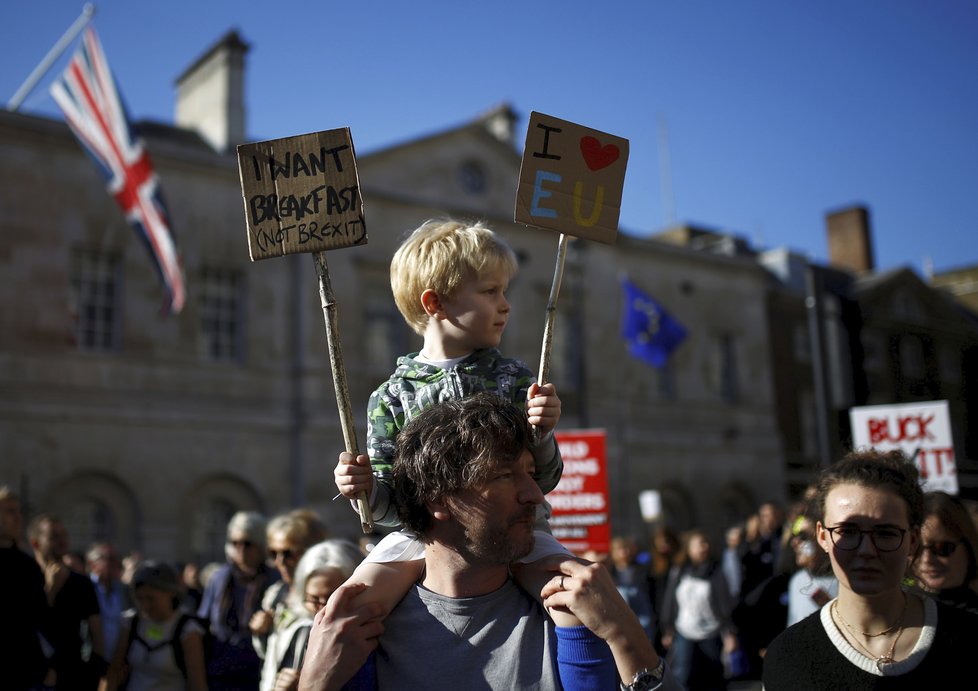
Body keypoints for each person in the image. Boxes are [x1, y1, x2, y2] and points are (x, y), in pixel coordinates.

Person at [302, 393, 678, 690]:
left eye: (531, 473)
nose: (537, 495)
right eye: (503, 475)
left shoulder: (575, 617)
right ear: (438, 498)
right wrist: (315, 683)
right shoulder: (355, 635)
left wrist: (626, 638)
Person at [332, 219, 575, 624]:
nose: (505, 304)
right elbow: (389, 508)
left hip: (516, 533)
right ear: (435, 304)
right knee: (347, 612)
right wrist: (365, 488)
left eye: (504, 290)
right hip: (421, 540)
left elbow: (544, 479)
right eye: (489, 291)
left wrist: (544, 433)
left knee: (577, 599)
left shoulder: (515, 379)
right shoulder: (390, 398)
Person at [762, 449, 978, 689]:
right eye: (847, 531)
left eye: (885, 533)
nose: (867, 550)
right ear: (822, 536)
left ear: (913, 540)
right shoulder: (789, 657)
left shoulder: (969, 640)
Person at [198, 510, 281, 690]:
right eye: (235, 543)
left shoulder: (274, 579)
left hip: (256, 670)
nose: (240, 549)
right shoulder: (219, 578)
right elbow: (203, 623)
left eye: (247, 543)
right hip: (219, 670)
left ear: (261, 545)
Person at [265, 539, 363, 691]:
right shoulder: (302, 635)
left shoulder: (373, 637)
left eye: (333, 598)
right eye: (314, 599)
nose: (323, 610)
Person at [251, 508, 329, 691]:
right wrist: (260, 632)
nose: (280, 561)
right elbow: (270, 655)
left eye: (288, 553)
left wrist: (304, 682)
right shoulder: (275, 594)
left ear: (310, 552)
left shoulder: (324, 597)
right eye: (273, 553)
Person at [28, 512, 107, 690]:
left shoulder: (81, 583)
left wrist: (94, 670)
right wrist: (51, 590)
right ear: (36, 543)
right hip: (36, 674)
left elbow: (96, 632)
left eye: (64, 535)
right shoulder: (27, 578)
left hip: (73, 674)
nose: (62, 541)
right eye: (54, 537)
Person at [103, 560, 208, 691]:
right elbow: (114, 672)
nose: (145, 606)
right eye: (140, 599)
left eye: (151, 599)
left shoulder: (187, 630)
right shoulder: (131, 624)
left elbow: (197, 683)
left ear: (170, 593)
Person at [660, 528, 738, 690]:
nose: (703, 547)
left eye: (705, 543)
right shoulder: (680, 571)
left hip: (711, 630)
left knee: (714, 675)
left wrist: (729, 633)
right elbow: (670, 601)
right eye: (699, 544)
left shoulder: (716, 571)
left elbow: (725, 604)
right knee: (683, 674)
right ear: (689, 549)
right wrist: (668, 628)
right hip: (685, 629)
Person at [0, 486, 53, 690]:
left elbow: (40, 618)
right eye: (10, 511)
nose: (18, 518)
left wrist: (48, 666)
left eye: (19, 512)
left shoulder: (27, 566)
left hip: (24, 672)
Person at [911, 490, 978, 614]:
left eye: (942, 548)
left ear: (968, 549)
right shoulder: (894, 611)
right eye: (916, 548)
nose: (927, 559)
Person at [785, 513, 838, 627]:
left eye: (803, 536)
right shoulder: (797, 580)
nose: (794, 543)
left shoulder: (845, 582)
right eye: (794, 537)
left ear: (823, 539)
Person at [87, 541, 131, 660]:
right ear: (92, 564)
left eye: (117, 559)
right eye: (110, 559)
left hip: (117, 663)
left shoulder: (124, 590)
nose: (117, 563)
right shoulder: (85, 588)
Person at [609, 534, 656, 641]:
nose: (625, 552)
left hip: (642, 617)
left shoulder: (641, 568)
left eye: (627, 548)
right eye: (621, 549)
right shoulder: (610, 571)